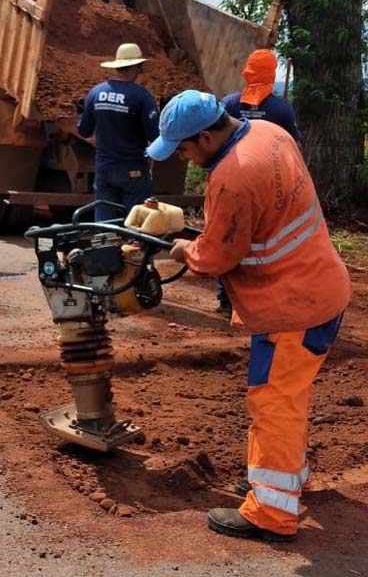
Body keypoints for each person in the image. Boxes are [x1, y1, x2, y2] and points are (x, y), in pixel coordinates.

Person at [147, 90, 350, 542]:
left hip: (293, 306)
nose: (183, 156)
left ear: (204, 136)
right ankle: (287, 479)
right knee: (288, 398)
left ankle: (271, 513)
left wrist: (184, 248)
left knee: (274, 403)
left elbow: (216, 257)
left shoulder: (232, 177)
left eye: (183, 148)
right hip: (321, 288)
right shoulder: (269, 132)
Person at [214, 49, 303, 317]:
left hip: (231, 184)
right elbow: (293, 149)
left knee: (228, 235)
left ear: (247, 72)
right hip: (268, 188)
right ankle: (262, 297)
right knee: (264, 240)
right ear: (271, 74)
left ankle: (227, 300)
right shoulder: (281, 110)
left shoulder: (229, 104)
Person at [76, 43, 159, 222]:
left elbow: (84, 130)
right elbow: (155, 136)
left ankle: (105, 248)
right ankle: (133, 248)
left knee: (104, 224)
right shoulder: (142, 96)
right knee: (135, 224)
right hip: (133, 170)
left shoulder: (96, 93)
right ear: (137, 67)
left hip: (104, 169)